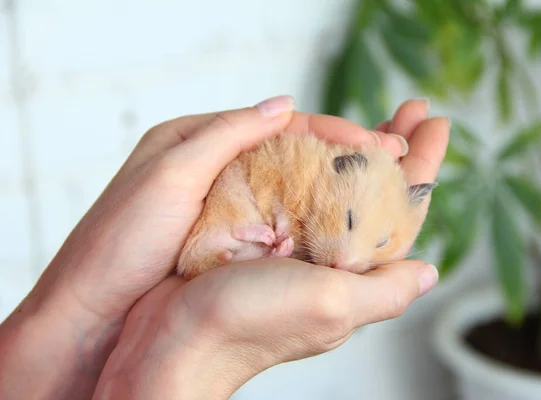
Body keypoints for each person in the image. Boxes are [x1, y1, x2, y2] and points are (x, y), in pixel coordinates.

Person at [0, 95, 449, 400]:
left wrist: (75, 314)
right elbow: (268, 177)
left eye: (379, 245)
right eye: (348, 222)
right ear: (341, 166)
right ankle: (227, 243)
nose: (346, 262)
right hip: (237, 208)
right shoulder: (304, 164)